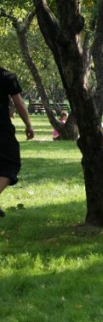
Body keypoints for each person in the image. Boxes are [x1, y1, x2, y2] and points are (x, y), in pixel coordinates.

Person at [0, 67, 35, 218]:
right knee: (11, 163)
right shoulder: (7, 76)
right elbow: (19, 102)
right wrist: (28, 124)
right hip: (1, 127)